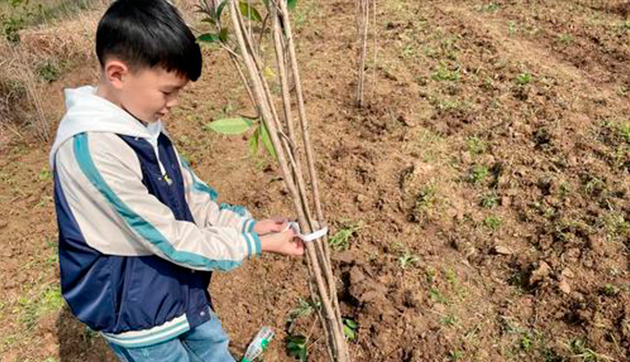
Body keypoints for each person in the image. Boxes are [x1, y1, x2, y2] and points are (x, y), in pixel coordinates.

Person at [48, 0, 304, 360]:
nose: (173, 104)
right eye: (167, 92)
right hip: (136, 314)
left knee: (214, 347)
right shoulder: (93, 149)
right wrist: (255, 245)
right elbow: (166, 235)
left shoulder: (142, 126)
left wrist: (250, 226)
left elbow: (190, 197)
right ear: (118, 74)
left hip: (176, 289)